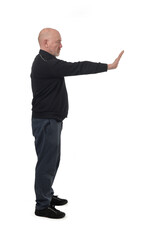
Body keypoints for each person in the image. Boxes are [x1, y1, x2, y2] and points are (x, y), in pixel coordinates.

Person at [30, 28, 124, 219]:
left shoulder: (47, 62)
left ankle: (46, 195)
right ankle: (42, 206)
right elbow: (78, 67)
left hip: (51, 120)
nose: (61, 45)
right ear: (46, 43)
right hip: (46, 121)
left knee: (52, 161)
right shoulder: (46, 63)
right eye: (58, 41)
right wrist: (108, 66)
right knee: (46, 163)